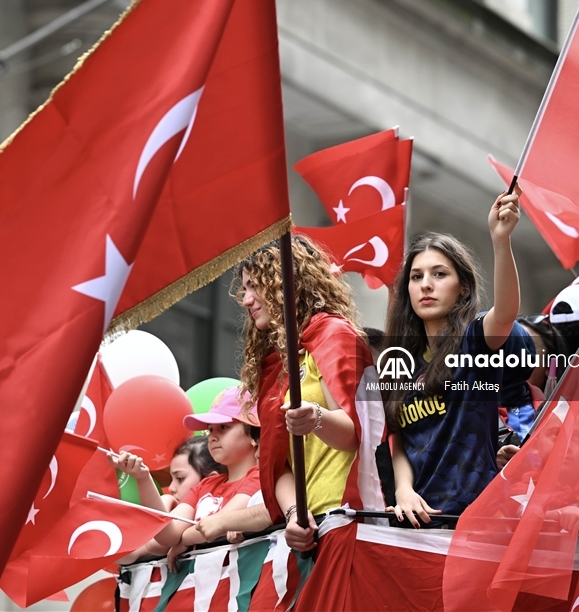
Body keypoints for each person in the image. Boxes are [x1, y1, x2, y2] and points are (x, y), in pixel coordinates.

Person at [385, 191, 535, 527]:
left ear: (463, 287)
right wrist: (404, 490)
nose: (426, 285)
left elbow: (507, 312)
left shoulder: (474, 341)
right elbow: (398, 437)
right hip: (415, 520)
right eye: (416, 276)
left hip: (474, 519)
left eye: (439, 274)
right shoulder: (398, 361)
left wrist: (501, 240)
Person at [234, 235, 381, 552]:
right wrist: (292, 515)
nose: (246, 300)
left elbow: (356, 432)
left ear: (287, 283)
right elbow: (279, 463)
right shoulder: (275, 363)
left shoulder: (333, 334)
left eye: (254, 286)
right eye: (244, 289)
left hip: (345, 515)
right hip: (305, 530)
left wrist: (315, 419)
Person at [114, 387, 261, 568]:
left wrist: (184, 539)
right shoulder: (205, 485)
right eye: (210, 430)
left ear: (254, 434)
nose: (213, 437)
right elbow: (167, 535)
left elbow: (218, 522)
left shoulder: (260, 477)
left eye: (224, 427)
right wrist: (143, 478)